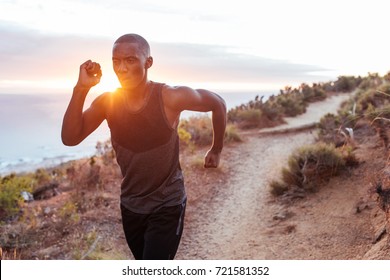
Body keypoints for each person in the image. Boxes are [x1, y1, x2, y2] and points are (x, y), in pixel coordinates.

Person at [61, 33, 227, 260]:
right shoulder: (107, 102)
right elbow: (70, 138)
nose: (121, 68)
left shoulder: (170, 97)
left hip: (167, 204)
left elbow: (218, 103)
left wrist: (216, 149)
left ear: (148, 62)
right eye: (116, 61)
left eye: (130, 60)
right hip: (131, 205)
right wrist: (81, 89)